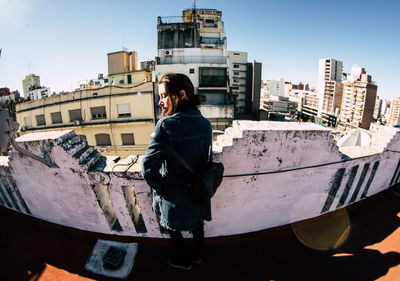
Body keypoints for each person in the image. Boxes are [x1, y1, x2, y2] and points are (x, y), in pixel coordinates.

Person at [142, 73, 212, 270]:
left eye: (163, 96)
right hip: (199, 192)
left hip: (175, 196)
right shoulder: (205, 124)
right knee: (198, 225)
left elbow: (148, 170)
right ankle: (197, 256)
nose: (159, 102)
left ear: (181, 94)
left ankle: (184, 260)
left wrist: (164, 189)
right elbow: (206, 160)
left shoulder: (165, 126)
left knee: (173, 229)